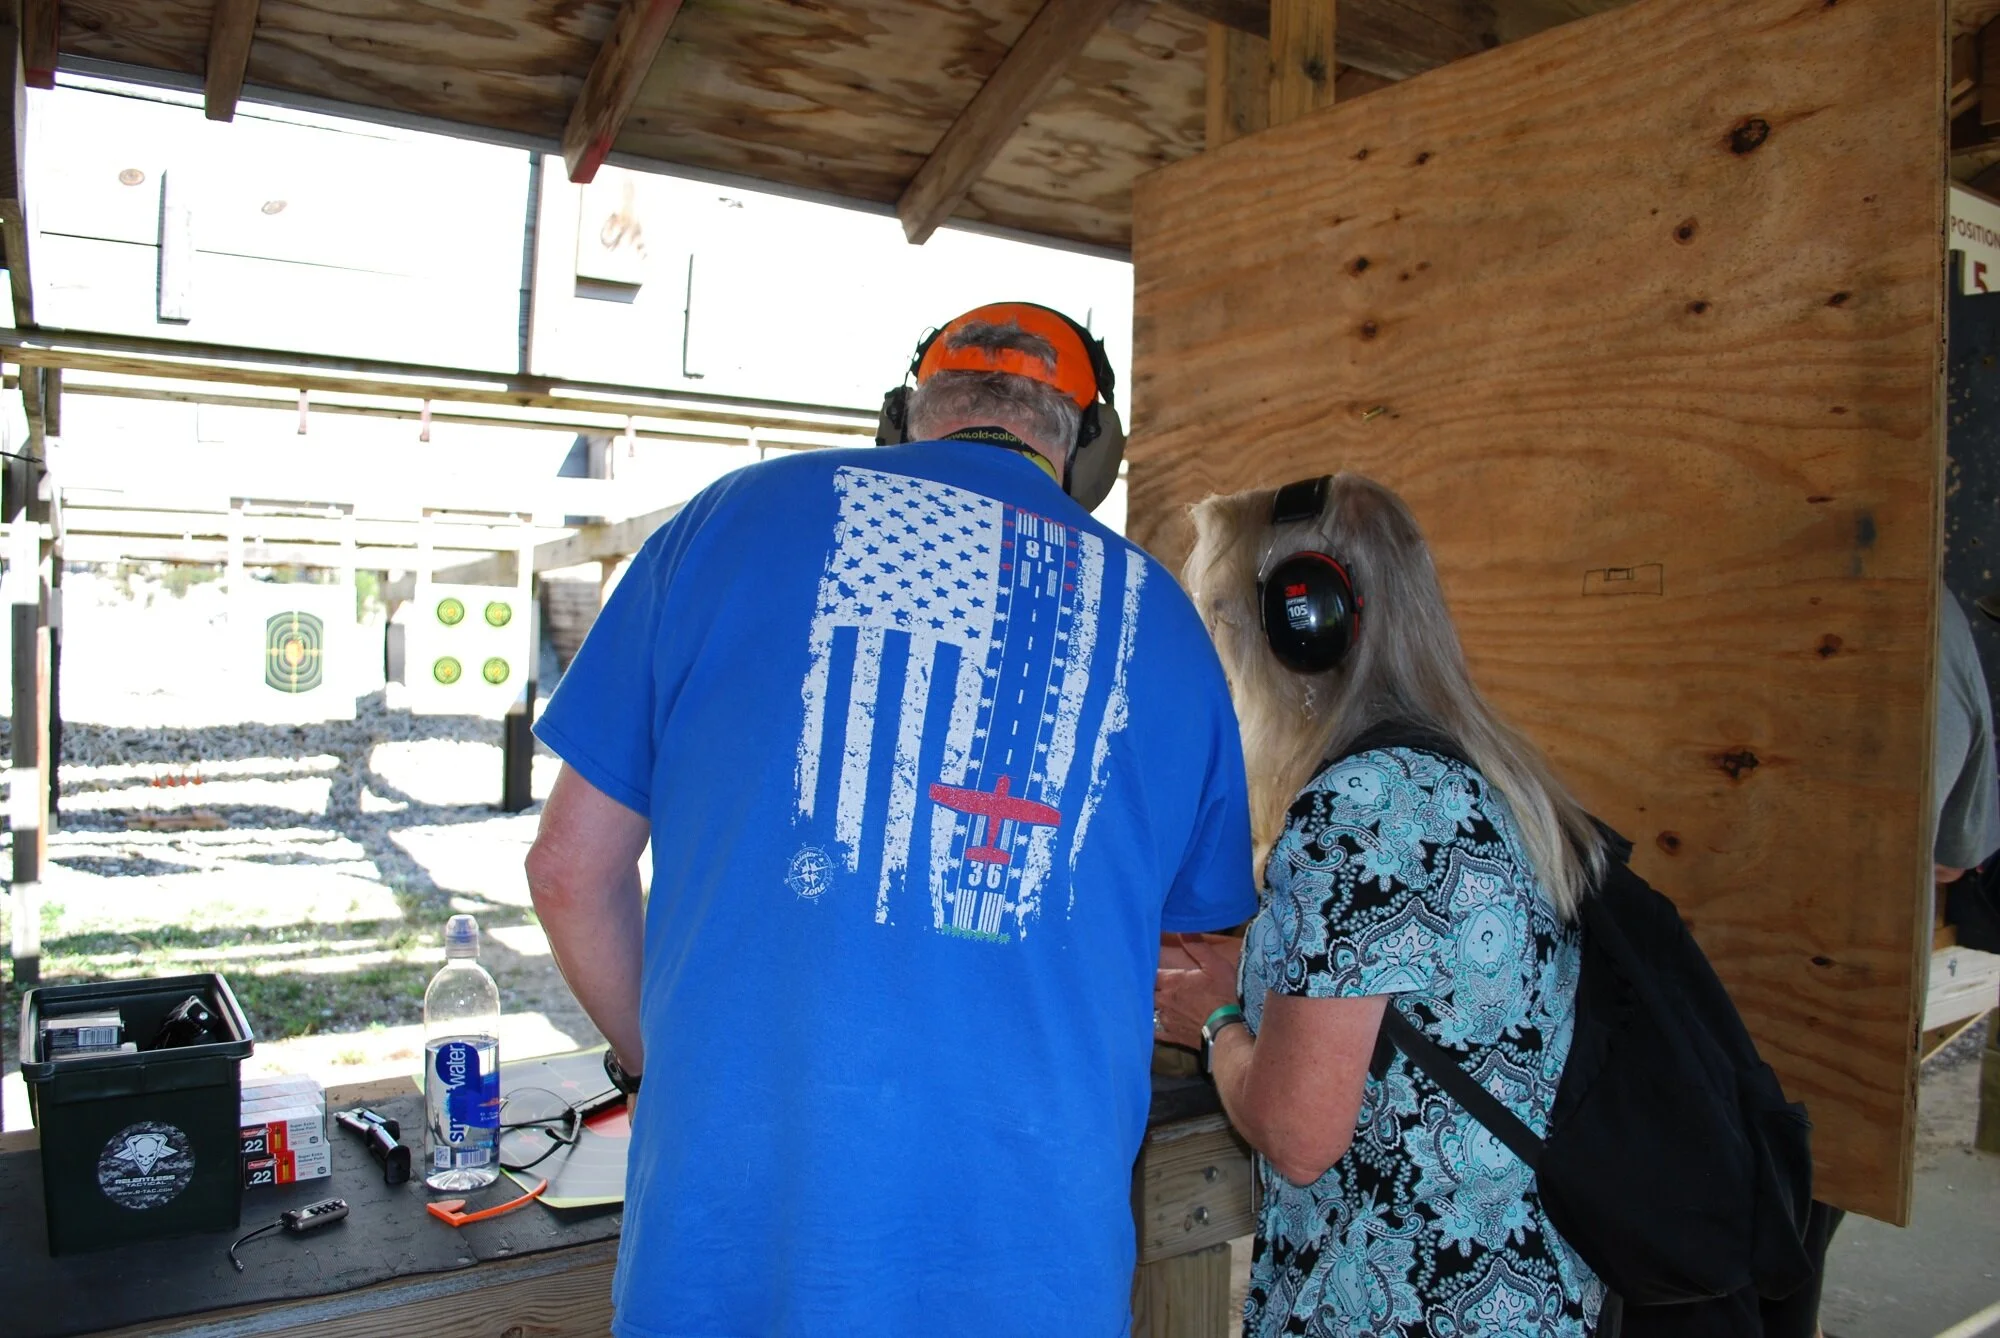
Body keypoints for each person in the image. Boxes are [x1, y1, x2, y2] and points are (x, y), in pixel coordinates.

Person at [525, 302, 1257, 1337]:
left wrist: (670, 1065)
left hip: (717, 1259)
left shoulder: (721, 523)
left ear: (902, 414)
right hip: (1026, 1275)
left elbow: (566, 872)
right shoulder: (1167, 626)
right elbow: (1193, 943)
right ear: (1089, 448)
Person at [1154, 474, 1607, 1338]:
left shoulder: (1365, 806)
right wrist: (1255, 978)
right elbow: (1405, 1006)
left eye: (1219, 617)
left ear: (1302, 627)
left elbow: (1295, 1130)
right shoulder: (1471, 772)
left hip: (1404, 1306)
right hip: (1508, 1296)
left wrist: (1215, 1020)